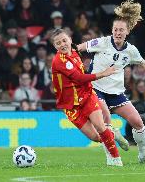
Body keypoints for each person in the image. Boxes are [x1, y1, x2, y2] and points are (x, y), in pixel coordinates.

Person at [77, 0, 145, 164]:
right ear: (112, 30)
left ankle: (143, 155)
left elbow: (144, 64)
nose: (118, 32)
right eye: (115, 29)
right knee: (105, 118)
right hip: (96, 88)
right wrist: (66, 59)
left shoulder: (131, 50)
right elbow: (79, 48)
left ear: (127, 31)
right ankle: (111, 157)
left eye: (121, 30)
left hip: (116, 93)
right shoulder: (102, 42)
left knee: (138, 122)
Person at [51, 29, 122, 166]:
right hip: (70, 105)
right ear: (55, 46)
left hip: (87, 95)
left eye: (64, 40)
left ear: (70, 40)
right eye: (58, 43)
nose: (63, 44)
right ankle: (112, 133)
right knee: (95, 137)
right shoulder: (58, 61)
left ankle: (116, 159)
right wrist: (103, 73)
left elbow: (91, 48)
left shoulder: (75, 51)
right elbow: (78, 78)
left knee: (100, 127)